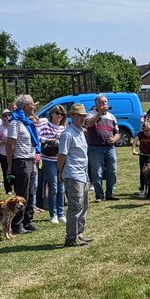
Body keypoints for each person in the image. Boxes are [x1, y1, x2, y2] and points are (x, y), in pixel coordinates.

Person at [57, 103, 92, 246]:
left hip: (83, 174)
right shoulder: (67, 134)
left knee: (84, 205)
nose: (82, 118)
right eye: (79, 116)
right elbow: (62, 156)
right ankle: (71, 237)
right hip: (73, 174)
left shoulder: (81, 132)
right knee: (75, 206)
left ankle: (79, 233)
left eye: (84, 116)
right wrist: (60, 172)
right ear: (72, 116)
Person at [6, 94, 40, 234]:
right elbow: (10, 145)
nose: (34, 106)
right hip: (21, 161)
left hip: (30, 160)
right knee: (22, 193)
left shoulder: (27, 122)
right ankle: (17, 224)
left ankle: (28, 220)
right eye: (32, 104)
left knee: (31, 193)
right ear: (25, 106)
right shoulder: (16, 122)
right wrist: (9, 166)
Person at [85, 94, 120, 201]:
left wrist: (114, 139)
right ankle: (99, 195)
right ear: (96, 105)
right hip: (95, 148)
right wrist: (99, 114)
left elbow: (117, 133)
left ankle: (110, 193)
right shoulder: (90, 114)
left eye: (105, 102)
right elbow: (89, 124)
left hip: (110, 147)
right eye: (101, 102)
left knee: (112, 170)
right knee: (97, 172)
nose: (104, 104)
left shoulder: (111, 117)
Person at [38, 105, 67, 222]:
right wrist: (50, 140)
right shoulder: (45, 125)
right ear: (51, 114)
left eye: (61, 114)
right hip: (48, 159)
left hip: (60, 159)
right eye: (57, 113)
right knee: (53, 186)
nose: (59, 116)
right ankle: (53, 214)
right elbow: (37, 137)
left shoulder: (63, 128)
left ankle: (61, 213)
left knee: (61, 187)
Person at [134, 118, 150, 198]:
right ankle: (142, 189)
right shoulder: (140, 134)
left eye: (149, 130)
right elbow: (135, 141)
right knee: (142, 172)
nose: (148, 132)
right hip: (143, 154)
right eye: (146, 131)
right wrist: (134, 149)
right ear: (143, 129)